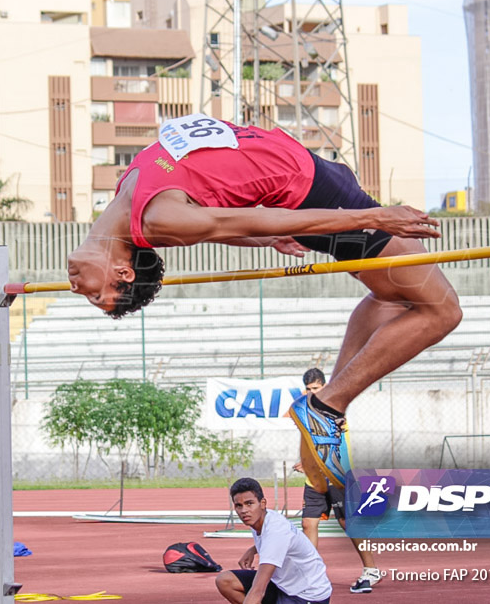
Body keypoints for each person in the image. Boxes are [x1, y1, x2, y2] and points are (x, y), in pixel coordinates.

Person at [66, 114, 462, 490]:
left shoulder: (141, 209)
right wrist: (372, 216)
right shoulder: (149, 211)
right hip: (311, 193)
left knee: (394, 297)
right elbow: (241, 220)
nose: (76, 290)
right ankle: (327, 407)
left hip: (308, 181)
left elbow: (209, 222)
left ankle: (325, 415)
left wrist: (270, 237)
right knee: (442, 310)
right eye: (93, 297)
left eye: (95, 296)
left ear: (123, 273)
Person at [295, 369, 381, 594]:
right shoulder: (306, 413)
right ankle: (310, 573)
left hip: (337, 474)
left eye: (316, 388)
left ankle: (371, 569)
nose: (312, 392)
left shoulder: (334, 411)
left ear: (324, 387)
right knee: (308, 523)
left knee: (347, 523)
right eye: (309, 389)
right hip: (314, 477)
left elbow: (336, 432)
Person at [216, 477, 333, 604]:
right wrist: (253, 550)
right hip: (283, 586)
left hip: (307, 595)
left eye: (249, 503)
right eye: (239, 505)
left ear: (262, 503)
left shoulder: (275, 531)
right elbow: (274, 540)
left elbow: (258, 591)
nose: (244, 511)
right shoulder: (262, 518)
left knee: (255, 591)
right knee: (225, 580)